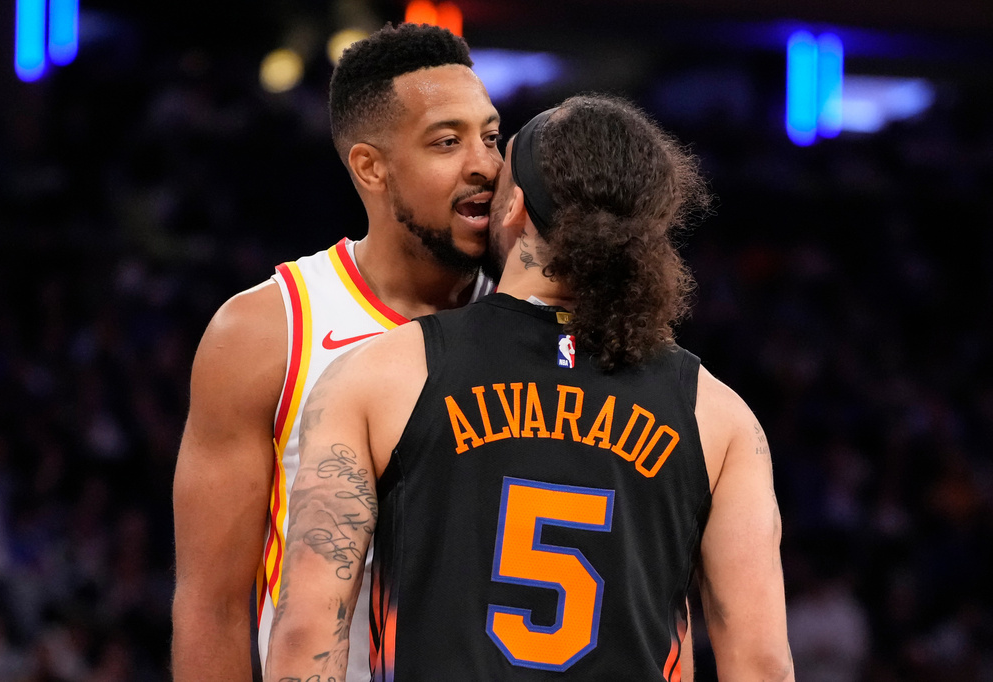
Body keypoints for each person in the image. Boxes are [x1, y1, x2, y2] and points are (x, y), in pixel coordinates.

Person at [265, 94, 795, 681]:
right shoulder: (719, 416)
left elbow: (307, 632)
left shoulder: (382, 373)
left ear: (515, 205)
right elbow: (761, 662)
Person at [171, 22, 503, 682]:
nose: (485, 165)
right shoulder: (265, 331)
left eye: (491, 137)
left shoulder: (541, 321)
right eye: (447, 141)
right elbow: (212, 609)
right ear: (370, 167)